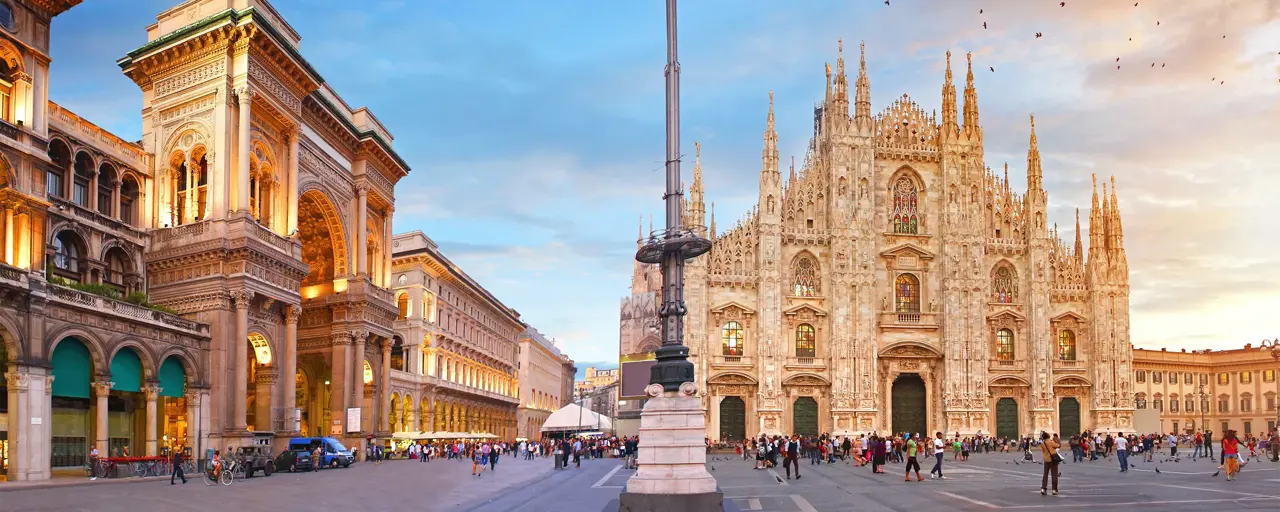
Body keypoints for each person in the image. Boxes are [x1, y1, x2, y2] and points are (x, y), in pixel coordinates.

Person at [1039, 431, 1060, 495]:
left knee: (1045, 475)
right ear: (1048, 436)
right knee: (1054, 475)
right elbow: (1058, 446)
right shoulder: (1051, 442)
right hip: (1052, 460)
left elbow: (1043, 451)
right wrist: (1056, 440)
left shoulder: (1042, 443)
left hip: (1046, 460)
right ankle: (1054, 489)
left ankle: (1043, 488)